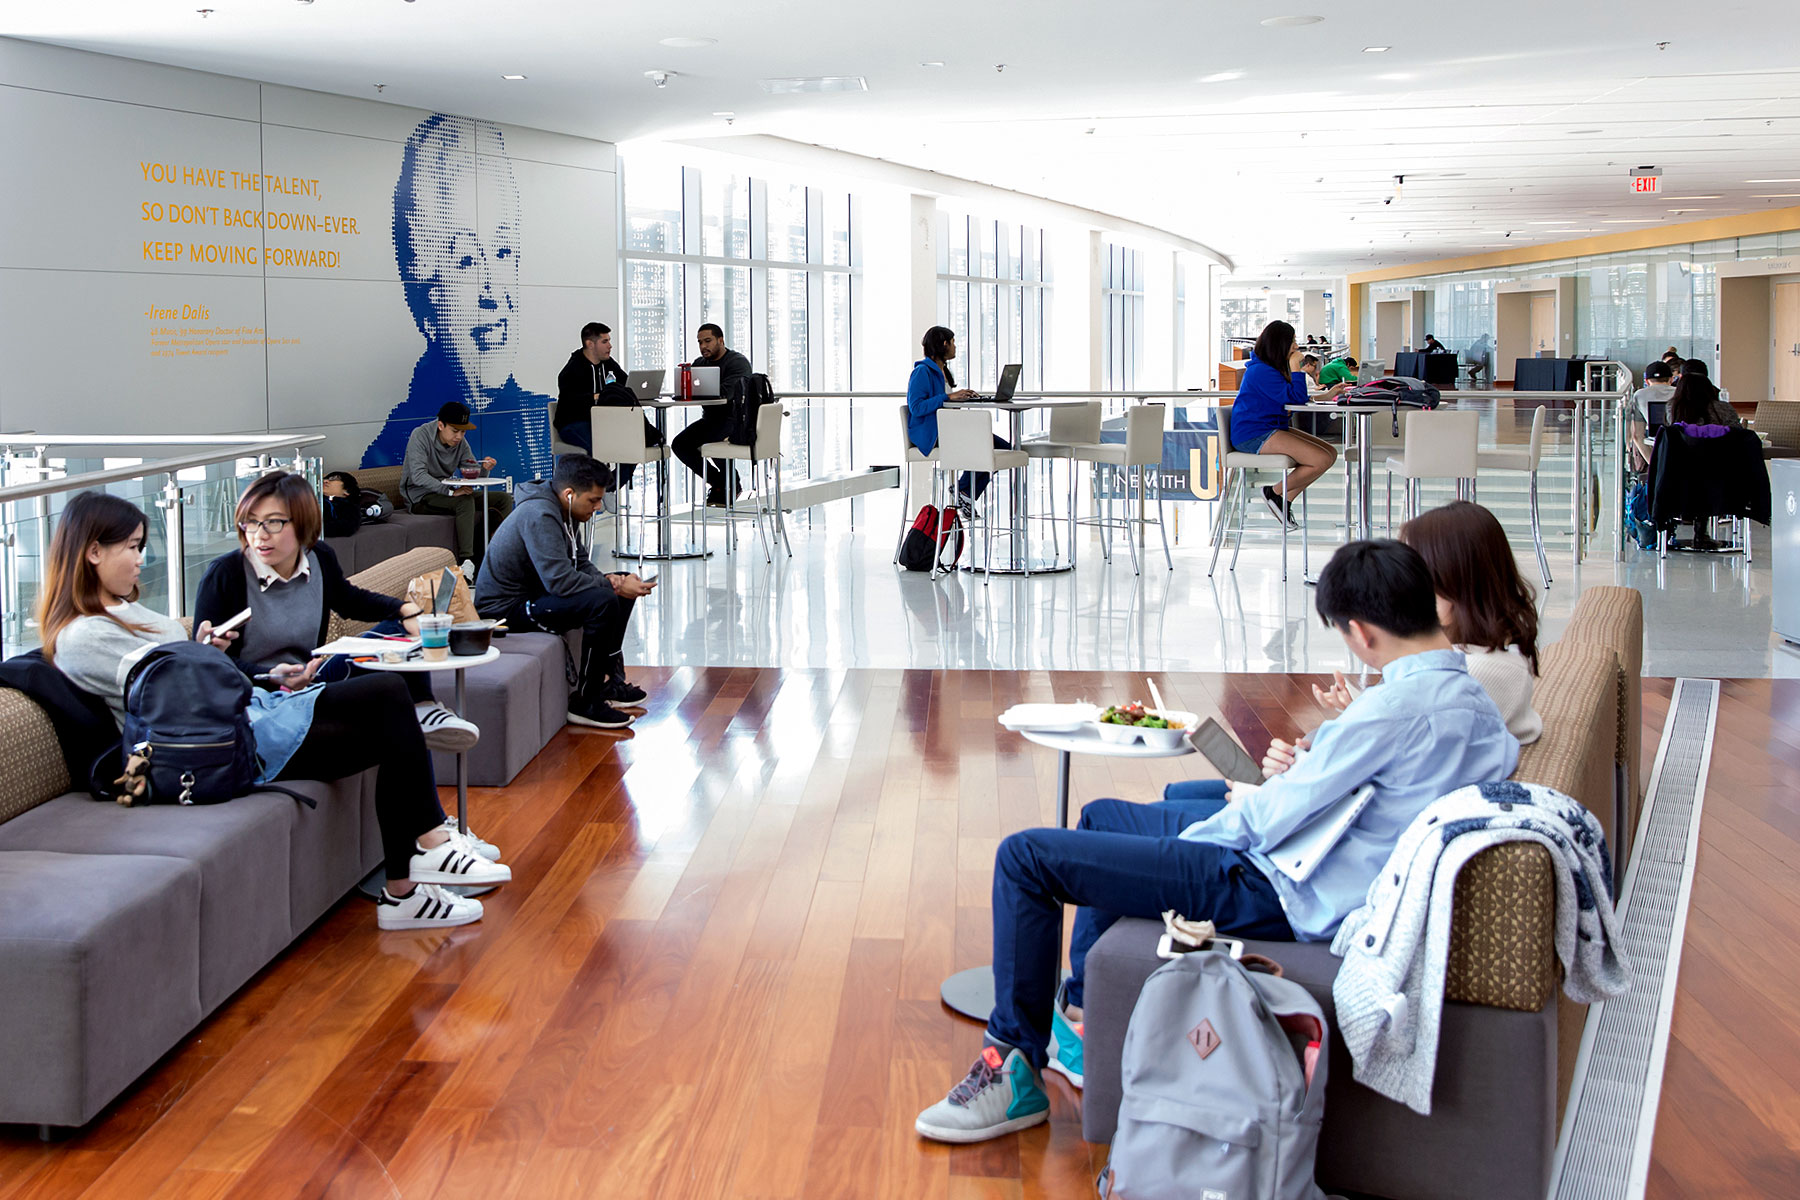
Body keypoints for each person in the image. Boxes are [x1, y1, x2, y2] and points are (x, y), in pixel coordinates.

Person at [913, 539, 1518, 1143]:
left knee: (1025, 858)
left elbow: (1266, 819)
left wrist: (1191, 844)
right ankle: (1085, 1013)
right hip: (1302, 871)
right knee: (1101, 818)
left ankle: (1012, 1070)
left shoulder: (1391, 710)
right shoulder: (1481, 712)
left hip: (1272, 887)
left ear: (1359, 633)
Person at [38, 491, 510, 931]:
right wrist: (214, 658)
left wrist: (223, 656)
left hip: (250, 714)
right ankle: (425, 851)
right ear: (94, 552)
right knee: (388, 702)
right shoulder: (83, 637)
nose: (142, 560)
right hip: (222, 748)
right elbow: (177, 690)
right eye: (132, 548)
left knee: (392, 709)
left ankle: (410, 878)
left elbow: (181, 671)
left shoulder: (125, 613)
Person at [194, 470, 481, 755]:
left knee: (397, 631)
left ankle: (425, 709)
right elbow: (213, 663)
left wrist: (405, 609)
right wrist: (270, 674)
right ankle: (419, 719)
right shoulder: (225, 575)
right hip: (262, 698)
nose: (259, 535)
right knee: (389, 693)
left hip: (311, 680)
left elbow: (347, 600)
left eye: (273, 523)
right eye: (251, 523)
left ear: (303, 524)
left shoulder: (318, 557)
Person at [363, 113, 553, 485]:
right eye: (465, 261)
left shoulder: (541, 421)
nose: (493, 293)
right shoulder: (394, 445)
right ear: (425, 303)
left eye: (501, 253)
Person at [474, 454, 656, 730]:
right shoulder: (539, 514)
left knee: (614, 588)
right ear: (570, 494)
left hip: (534, 596)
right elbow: (559, 582)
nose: (598, 507)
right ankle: (586, 701)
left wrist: (616, 582)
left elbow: (580, 562)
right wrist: (613, 585)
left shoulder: (564, 510)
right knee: (605, 596)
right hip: (503, 613)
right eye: (593, 500)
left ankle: (611, 682)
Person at [1228, 319, 1339, 530]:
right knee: (1321, 459)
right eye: (1292, 341)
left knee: (1330, 453)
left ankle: (1282, 500)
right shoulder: (1261, 371)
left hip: (1269, 427)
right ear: (1280, 344)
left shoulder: (1269, 369)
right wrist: (1297, 367)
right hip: (1254, 433)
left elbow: (1291, 398)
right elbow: (1296, 398)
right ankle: (1275, 492)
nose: (1296, 346)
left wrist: (1327, 395)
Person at [906, 325, 1012, 522]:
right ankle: (964, 490)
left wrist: (961, 398)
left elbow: (944, 401)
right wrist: (948, 397)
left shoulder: (942, 371)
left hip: (949, 430)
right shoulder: (922, 372)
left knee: (1004, 448)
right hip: (932, 435)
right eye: (953, 342)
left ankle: (964, 490)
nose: (955, 347)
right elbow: (916, 407)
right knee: (985, 445)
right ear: (944, 344)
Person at [401, 401, 514, 573]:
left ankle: (495, 553)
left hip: (447, 493)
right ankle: (467, 562)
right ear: (440, 425)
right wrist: (451, 492)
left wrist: (484, 469)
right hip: (421, 496)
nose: (459, 437)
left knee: (504, 499)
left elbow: (472, 473)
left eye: (463, 432)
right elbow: (418, 476)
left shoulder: (460, 442)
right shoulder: (420, 436)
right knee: (464, 501)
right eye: (455, 431)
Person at [553, 321, 664, 494]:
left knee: (630, 447)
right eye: (605, 341)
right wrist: (598, 396)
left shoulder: (608, 363)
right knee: (602, 447)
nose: (610, 346)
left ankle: (608, 488)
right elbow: (571, 401)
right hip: (573, 423)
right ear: (590, 344)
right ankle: (599, 489)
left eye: (609, 341)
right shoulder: (572, 370)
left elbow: (626, 384)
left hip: (603, 423)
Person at [671, 323, 754, 506]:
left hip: (734, 421)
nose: (703, 346)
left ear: (721, 340)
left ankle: (727, 485)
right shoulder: (699, 364)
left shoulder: (737, 362)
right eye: (700, 342)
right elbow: (692, 391)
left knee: (711, 439)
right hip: (710, 420)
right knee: (679, 445)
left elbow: (727, 392)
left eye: (707, 341)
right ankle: (721, 482)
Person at [1628, 360, 1677, 471]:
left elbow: (1636, 435)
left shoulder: (1639, 395)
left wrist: (1654, 464)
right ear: (1671, 379)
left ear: (1647, 381)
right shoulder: (1680, 392)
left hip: (1656, 444)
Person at [320, 469, 392, 539]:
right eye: (325, 478)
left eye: (333, 479)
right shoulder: (314, 497)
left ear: (347, 491)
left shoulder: (348, 507)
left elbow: (346, 527)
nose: (325, 481)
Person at [1668, 360, 1740, 429]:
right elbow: (1737, 432)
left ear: (1681, 378)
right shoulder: (1724, 408)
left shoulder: (1672, 407)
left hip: (1683, 441)